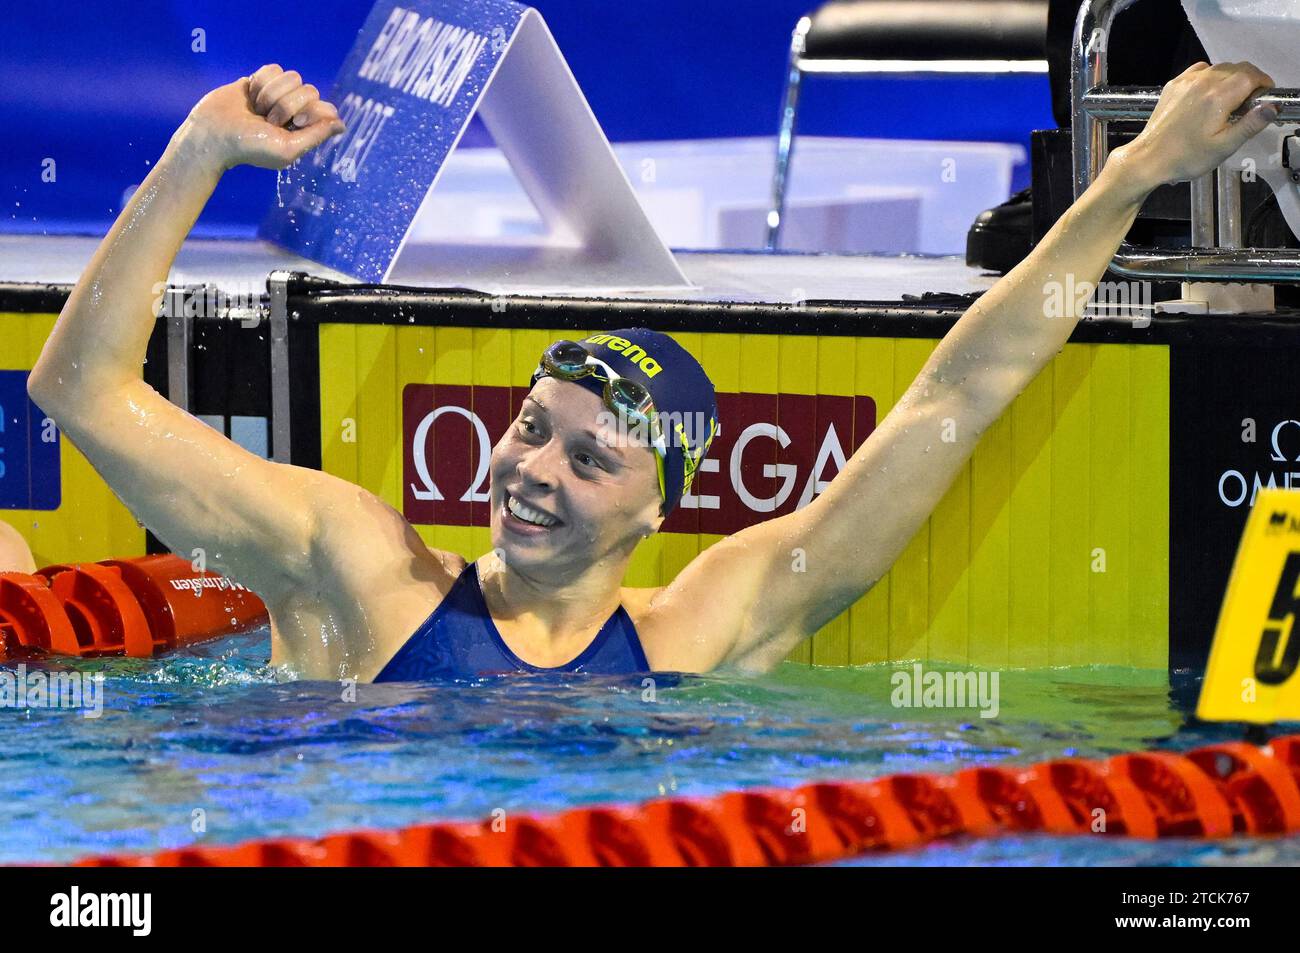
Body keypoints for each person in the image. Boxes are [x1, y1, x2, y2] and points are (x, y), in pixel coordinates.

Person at [28, 61, 1280, 681]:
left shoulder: (703, 626)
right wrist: (198, 149)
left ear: (663, 503)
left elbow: (954, 396)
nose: (530, 470)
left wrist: (1126, 180)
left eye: (589, 455)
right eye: (530, 427)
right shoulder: (356, 563)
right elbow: (79, 389)